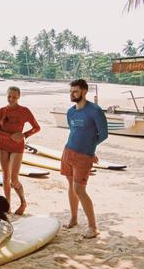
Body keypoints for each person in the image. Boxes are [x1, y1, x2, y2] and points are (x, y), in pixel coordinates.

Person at [61, 79, 108, 239]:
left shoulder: (95, 111)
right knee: (71, 186)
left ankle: (93, 227)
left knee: (79, 189)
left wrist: (90, 149)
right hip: (68, 151)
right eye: (70, 91)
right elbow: (74, 131)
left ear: (84, 92)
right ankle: (73, 219)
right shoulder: (70, 111)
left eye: (75, 91)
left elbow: (103, 134)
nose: (72, 94)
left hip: (83, 156)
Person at [0, 86, 40, 215]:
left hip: (17, 147)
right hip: (3, 146)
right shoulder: (2, 111)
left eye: (14, 97)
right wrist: (10, 136)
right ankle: (7, 207)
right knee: (5, 177)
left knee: (14, 179)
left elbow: (37, 127)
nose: (11, 99)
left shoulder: (24, 111)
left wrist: (24, 135)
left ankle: (23, 202)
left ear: (18, 97)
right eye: (9, 96)